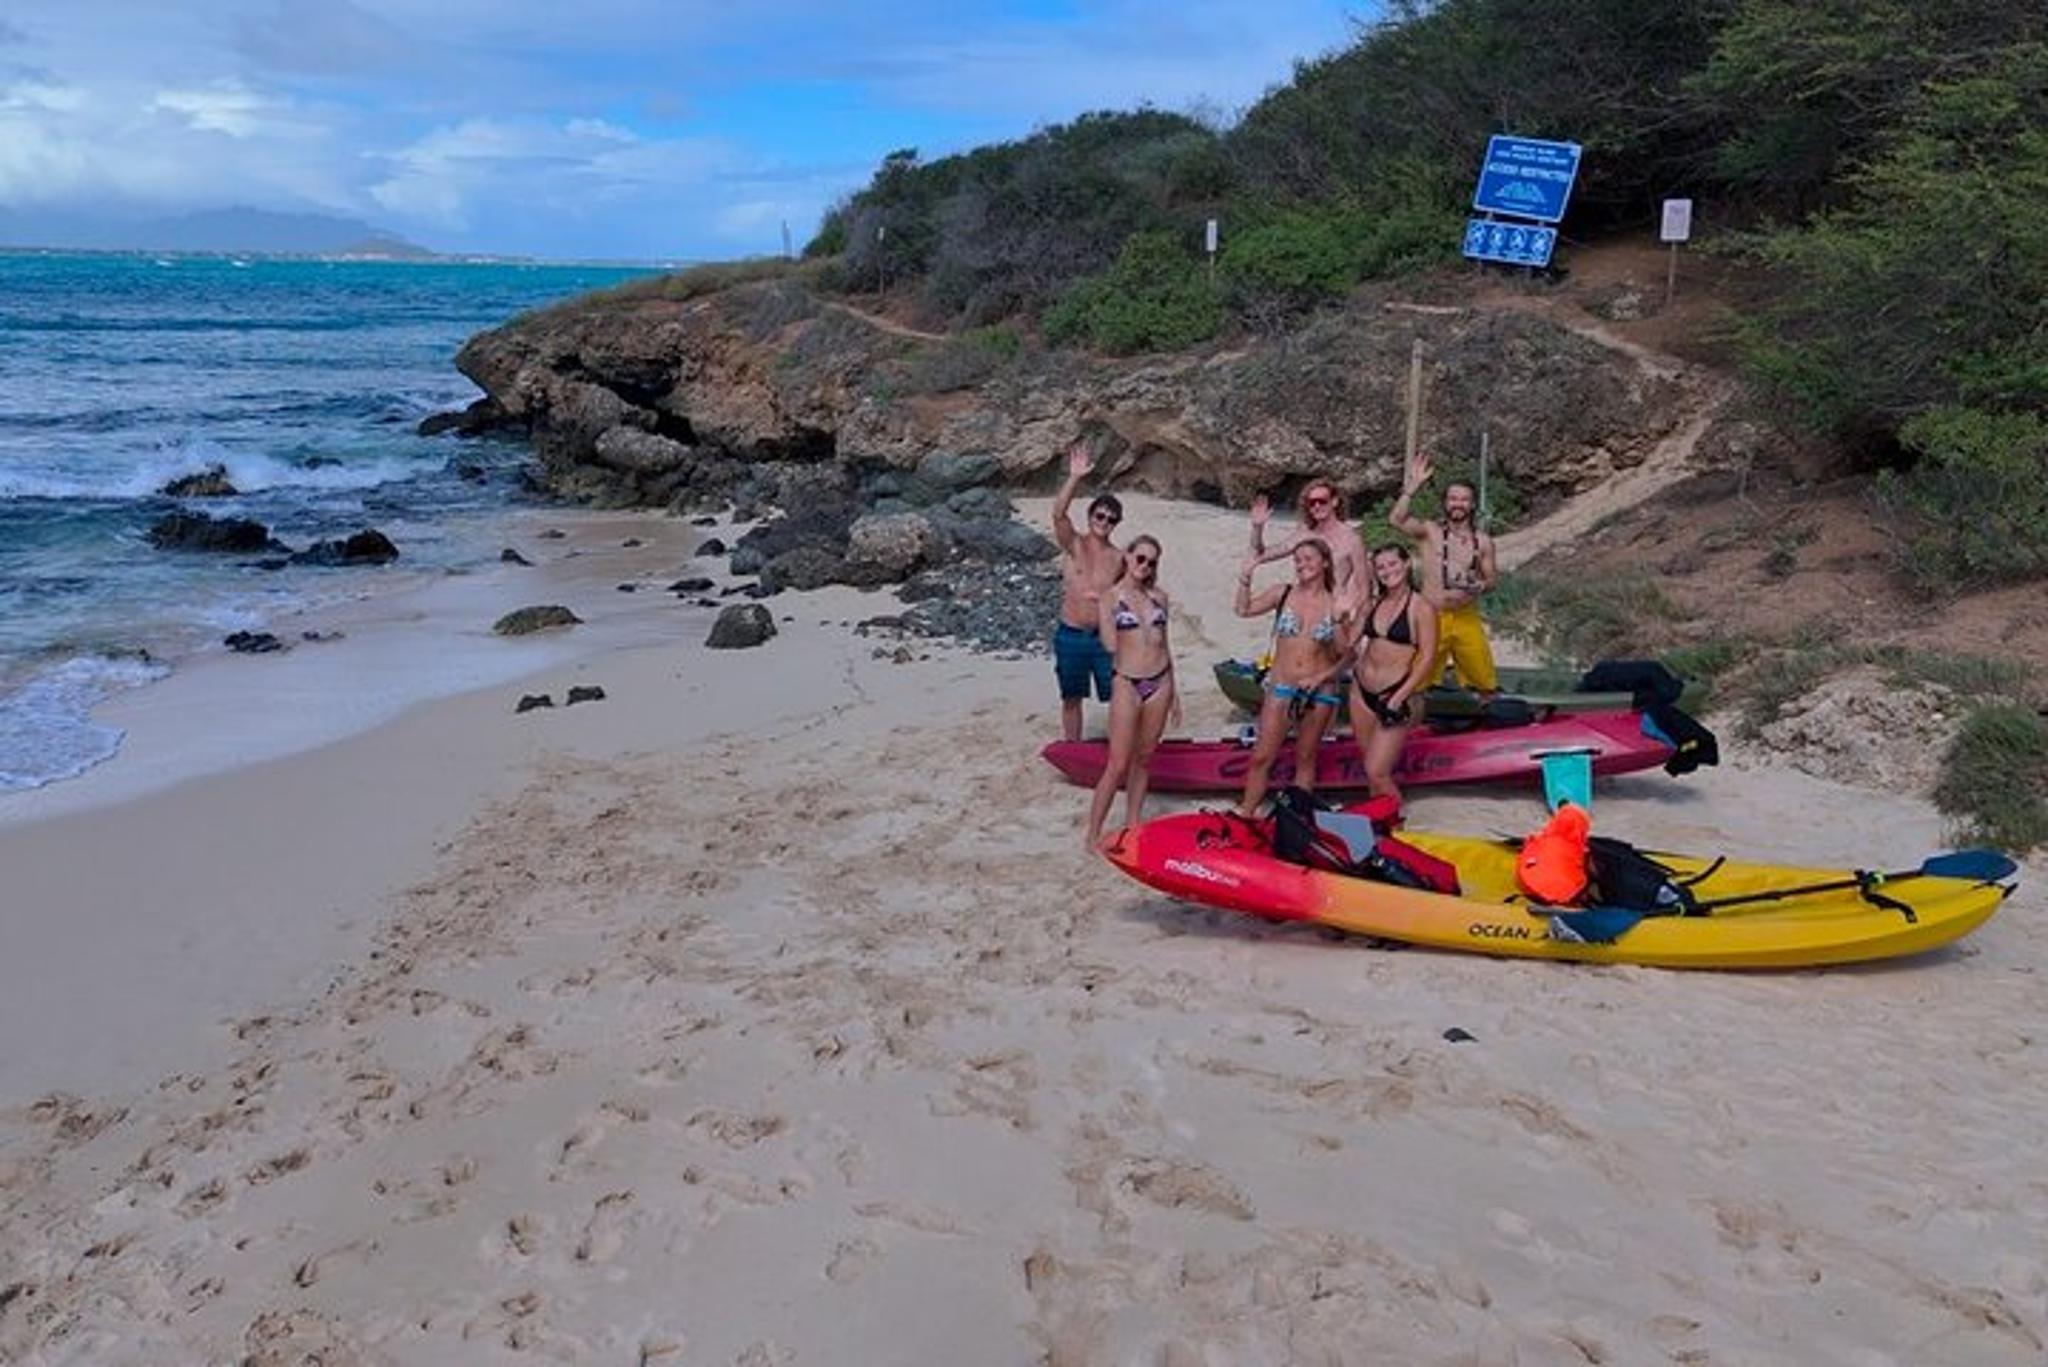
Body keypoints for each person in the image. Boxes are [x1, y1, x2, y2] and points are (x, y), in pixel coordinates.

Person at [1232, 539, 1346, 818]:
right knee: (1261, 757)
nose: (1302, 564)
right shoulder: (1282, 593)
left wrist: (1339, 624)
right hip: (1281, 687)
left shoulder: (1335, 602)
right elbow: (1243, 609)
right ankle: (1246, 812)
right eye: (1298, 560)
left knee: (1305, 759)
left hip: (1319, 692)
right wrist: (1245, 577)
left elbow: (1347, 655)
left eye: (1309, 559)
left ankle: (1297, 818)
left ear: (1325, 563)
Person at [1320, 544, 1438, 805]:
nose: (1387, 571)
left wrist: (1400, 696)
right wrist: (1339, 619)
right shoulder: (1372, 603)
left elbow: (1427, 658)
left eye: (1393, 564)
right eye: (1381, 567)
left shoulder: (1421, 608)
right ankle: (1380, 824)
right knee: (1370, 768)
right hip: (1361, 691)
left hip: (1395, 692)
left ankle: (1396, 828)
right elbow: (1348, 645)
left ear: (1406, 564)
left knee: (1377, 770)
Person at [1085, 536, 1180, 849]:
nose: (1145, 566)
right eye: (1140, 558)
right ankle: (1093, 834)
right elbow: (1110, 644)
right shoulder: (1111, 597)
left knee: (1144, 757)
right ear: (1127, 557)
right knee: (1118, 763)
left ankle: (1133, 822)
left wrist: (1175, 693)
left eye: (1152, 562)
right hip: (1127, 681)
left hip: (1161, 682)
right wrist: (1103, 609)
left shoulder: (1160, 598)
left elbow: (1165, 645)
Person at [1389, 450, 1499, 695]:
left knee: (1484, 681)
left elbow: (1492, 579)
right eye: (1453, 498)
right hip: (1432, 615)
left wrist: (1480, 585)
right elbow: (1396, 519)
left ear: (1472, 504)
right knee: (1416, 681)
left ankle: (1486, 720)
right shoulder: (1430, 531)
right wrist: (1412, 488)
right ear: (1445, 502)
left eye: (1464, 499)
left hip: (1465, 616)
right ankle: (1411, 723)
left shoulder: (1483, 541)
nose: (1458, 504)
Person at [1050, 440, 1124, 741]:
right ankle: (1073, 747)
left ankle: (1120, 745)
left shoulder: (1119, 558)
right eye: (1100, 516)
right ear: (1090, 517)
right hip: (1070, 635)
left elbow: (1127, 594)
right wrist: (1075, 478)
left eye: (1110, 519)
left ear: (1116, 523)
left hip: (1104, 638)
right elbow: (1058, 514)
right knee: (1071, 697)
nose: (1104, 522)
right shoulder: (1074, 545)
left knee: (1118, 696)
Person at [1247, 479, 1369, 615]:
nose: (1316, 506)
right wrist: (1257, 528)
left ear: (1334, 502)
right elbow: (1261, 555)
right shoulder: (1304, 533)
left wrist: (1354, 619)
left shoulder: (1351, 539)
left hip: (1332, 609)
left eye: (1322, 501)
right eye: (1311, 503)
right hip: (1303, 604)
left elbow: (1363, 587)